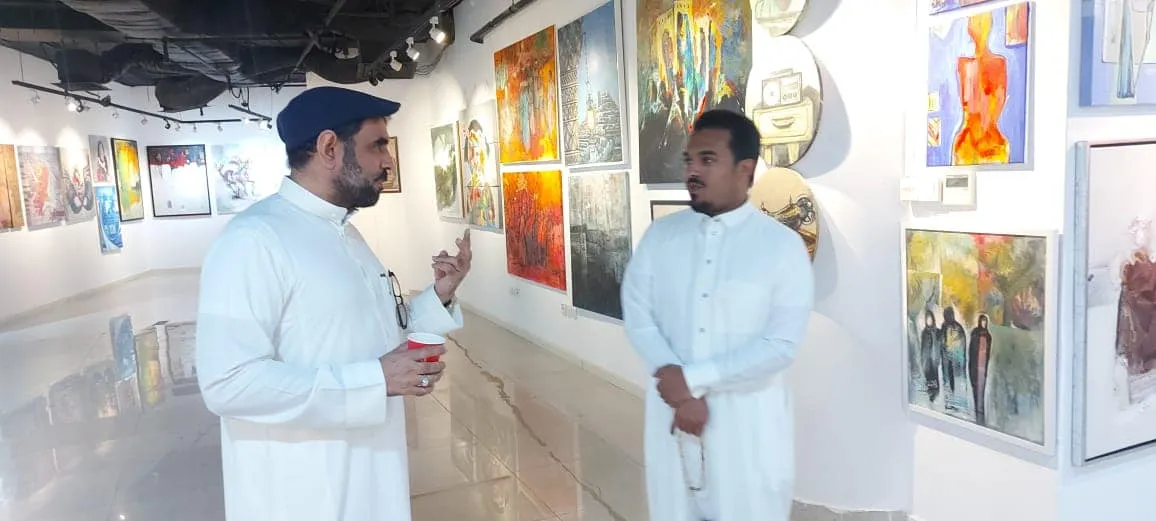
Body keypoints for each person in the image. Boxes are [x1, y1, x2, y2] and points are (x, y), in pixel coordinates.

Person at [195, 86, 473, 521]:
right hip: (304, 494)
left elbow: (377, 335)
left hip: (370, 478)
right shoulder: (253, 241)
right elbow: (227, 382)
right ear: (329, 148)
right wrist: (373, 380)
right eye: (377, 145)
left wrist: (441, 294)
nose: (388, 161)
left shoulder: (346, 232)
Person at [621, 109, 814, 521]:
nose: (692, 171)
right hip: (671, 417)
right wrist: (677, 387)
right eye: (689, 160)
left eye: (707, 160)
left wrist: (691, 382)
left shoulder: (782, 247)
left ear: (745, 169)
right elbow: (638, 315)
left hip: (747, 428)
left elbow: (780, 345)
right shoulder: (660, 237)